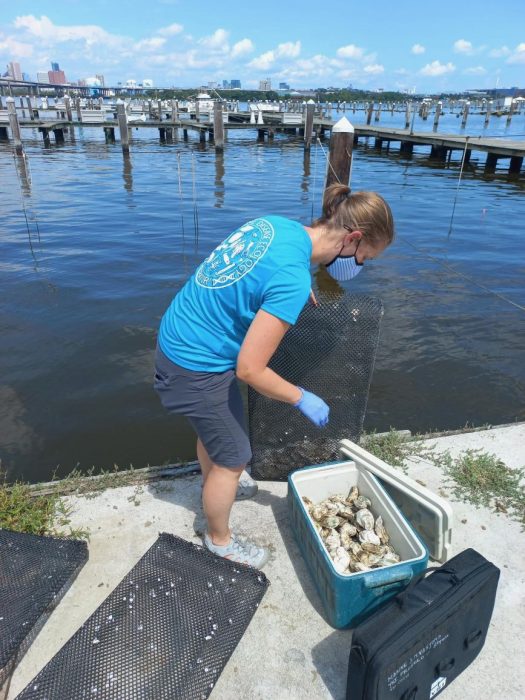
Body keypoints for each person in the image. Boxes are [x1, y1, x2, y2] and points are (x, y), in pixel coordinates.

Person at [154, 183, 394, 568]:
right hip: (194, 365)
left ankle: (212, 486)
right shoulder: (292, 281)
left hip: (180, 337)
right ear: (352, 238)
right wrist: (301, 397)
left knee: (215, 434)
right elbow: (250, 370)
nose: (360, 266)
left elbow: (251, 273)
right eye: (364, 257)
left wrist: (294, 287)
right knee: (235, 457)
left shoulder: (277, 227)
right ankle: (219, 540)